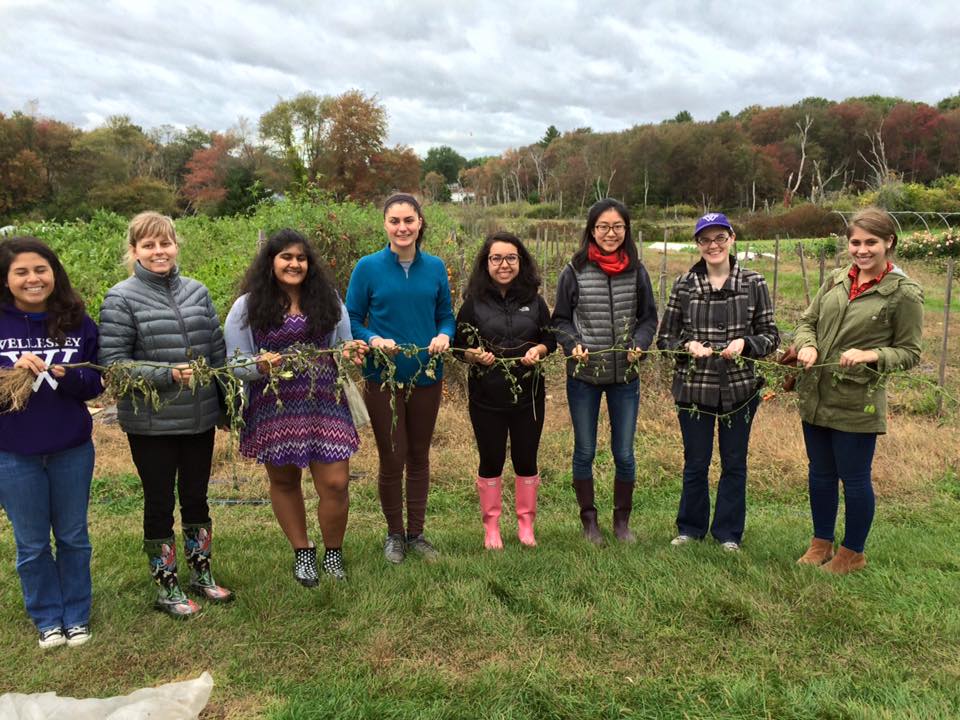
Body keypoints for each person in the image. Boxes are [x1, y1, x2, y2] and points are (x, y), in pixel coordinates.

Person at [98, 211, 230, 617]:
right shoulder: (121, 298)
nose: (159, 251)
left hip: (198, 418)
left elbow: (217, 352)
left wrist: (226, 403)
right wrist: (167, 374)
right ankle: (166, 583)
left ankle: (201, 573)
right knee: (159, 502)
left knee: (196, 498)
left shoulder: (198, 291)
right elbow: (114, 366)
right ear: (135, 251)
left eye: (165, 243)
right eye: (149, 245)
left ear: (176, 245)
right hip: (151, 423)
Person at [225, 229, 364, 585]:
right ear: (270, 262)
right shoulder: (248, 305)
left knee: (335, 482)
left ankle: (333, 553)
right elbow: (235, 362)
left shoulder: (328, 298)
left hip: (324, 401)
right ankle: (303, 552)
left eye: (301, 258)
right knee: (285, 480)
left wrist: (351, 352)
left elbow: (343, 345)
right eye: (286, 257)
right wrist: (259, 365)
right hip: (276, 406)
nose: (294, 264)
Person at [793, 207, 922, 574]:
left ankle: (853, 552)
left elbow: (911, 353)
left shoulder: (903, 293)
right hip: (815, 393)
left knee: (854, 478)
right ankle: (821, 543)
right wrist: (807, 345)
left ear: (889, 243)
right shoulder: (837, 279)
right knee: (819, 472)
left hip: (856, 400)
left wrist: (872, 354)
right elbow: (807, 321)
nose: (862, 250)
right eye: (855, 242)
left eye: (871, 242)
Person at [0, 238, 102, 648]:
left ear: (54, 273)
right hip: (13, 453)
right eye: (21, 272)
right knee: (32, 542)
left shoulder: (77, 321)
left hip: (71, 447)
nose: (32, 279)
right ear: (6, 280)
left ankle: (76, 614)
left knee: (74, 535)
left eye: (40, 270)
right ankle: (47, 617)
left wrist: (67, 376)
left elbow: (95, 382)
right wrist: (9, 372)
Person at [656, 212, 779, 552]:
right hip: (695, 388)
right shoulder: (684, 285)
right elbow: (665, 339)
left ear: (732, 238)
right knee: (695, 461)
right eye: (705, 240)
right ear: (698, 245)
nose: (713, 246)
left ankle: (728, 533)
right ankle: (690, 528)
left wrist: (746, 344)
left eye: (719, 238)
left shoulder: (754, 283)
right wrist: (687, 346)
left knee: (734, 462)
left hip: (740, 390)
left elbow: (771, 335)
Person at [346, 194, 455, 564]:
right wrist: (373, 339)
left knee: (419, 456)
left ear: (420, 222)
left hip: (426, 376)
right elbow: (352, 319)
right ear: (385, 225)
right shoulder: (368, 268)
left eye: (409, 220)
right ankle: (394, 533)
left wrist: (444, 335)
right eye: (395, 221)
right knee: (393, 457)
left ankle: (417, 533)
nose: (402, 227)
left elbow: (446, 315)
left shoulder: (435, 267)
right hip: (383, 378)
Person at [552, 198, 658, 544]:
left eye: (617, 227)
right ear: (591, 230)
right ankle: (589, 521)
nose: (610, 234)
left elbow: (648, 318)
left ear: (626, 230)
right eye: (603, 227)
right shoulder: (574, 270)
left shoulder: (637, 270)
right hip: (584, 376)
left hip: (624, 377)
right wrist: (572, 346)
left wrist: (640, 344)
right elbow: (561, 320)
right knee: (585, 450)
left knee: (624, 453)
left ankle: (622, 522)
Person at [453, 232, 556, 549]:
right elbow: (459, 347)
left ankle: (526, 525)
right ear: (486, 264)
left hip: (529, 397)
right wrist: (474, 355)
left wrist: (538, 350)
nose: (504, 264)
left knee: (526, 459)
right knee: (491, 459)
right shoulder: (473, 304)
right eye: (496, 258)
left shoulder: (535, 302)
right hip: (487, 398)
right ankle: (492, 528)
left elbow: (550, 340)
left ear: (520, 261)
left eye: (511, 257)